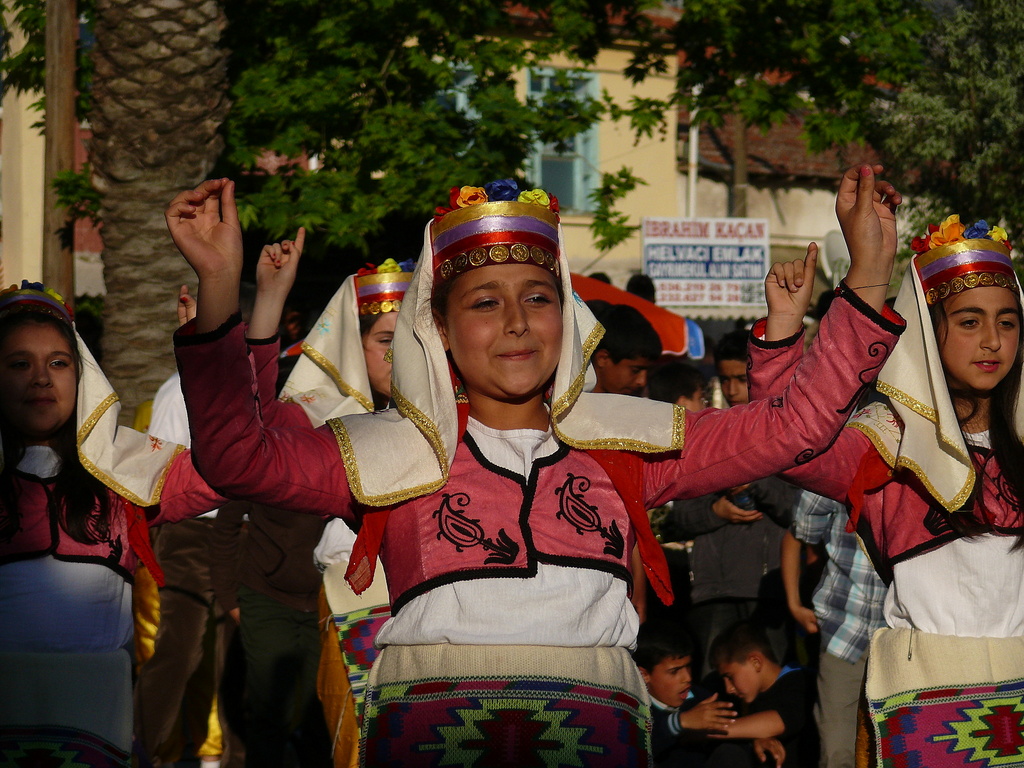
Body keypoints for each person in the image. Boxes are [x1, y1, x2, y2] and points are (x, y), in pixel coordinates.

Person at [166, 168, 902, 764]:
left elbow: (796, 428)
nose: (517, 322)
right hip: (432, 738)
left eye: (539, 297)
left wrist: (868, 272)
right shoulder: (386, 452)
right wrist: (222, 290)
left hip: (597, 737)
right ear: (440, 330)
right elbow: (237, 456)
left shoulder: (631, 443)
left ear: (568, 316)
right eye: (486, 302)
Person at [749, 212, 1024, 767]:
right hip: (927, 706)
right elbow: (786, 443)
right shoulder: (888, 443)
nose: (993, 340)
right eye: (969, 321)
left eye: (1008, 321)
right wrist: (782, 332)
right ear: (930, 329)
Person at [0, 282, 223, 766]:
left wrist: (203, 363)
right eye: (19, 363)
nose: (41, 378)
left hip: (99, 722)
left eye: (58, 363)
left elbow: (224, 470)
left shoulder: (126, 471)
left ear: (84, 377)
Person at [669, 329, 800, 677]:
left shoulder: (788, 434)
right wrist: (715, 510)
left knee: (771, 690)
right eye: (723, 380)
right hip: (713, 592)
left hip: (768, 593)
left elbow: (798, 514)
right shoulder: (705, 435)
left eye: (739, 379)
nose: (730, 390)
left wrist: (754, 479)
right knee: (716, 690)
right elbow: (679, 516)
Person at [780, 491, 886, 768]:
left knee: (901, 746)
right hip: (845, 630)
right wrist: (794, 605)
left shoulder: (927, 468)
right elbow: (796, 536)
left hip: (904, 635)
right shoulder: (839, 469)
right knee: (837, 751)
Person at [708, 620, 810, 768]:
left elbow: (780, 720)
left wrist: (707, 729)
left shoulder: (800, 681)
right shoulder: (751, 699)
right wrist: (756, 739)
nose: (728, 688)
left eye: (730, 677)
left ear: (755, 662)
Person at [634, 621, 737, 767]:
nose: (687, 678)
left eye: (688, 666)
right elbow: (635, 749)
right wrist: (679, 722)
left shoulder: (705, 701)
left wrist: (755, 742)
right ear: (644, 675)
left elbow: (731, 735)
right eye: (675, 671)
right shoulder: (632, 708)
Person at [591, 303, 662, 395]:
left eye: (649, 372)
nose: (642, 381)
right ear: (602, 358)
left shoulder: (638, 407)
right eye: (635, 371)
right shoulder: (571, 406)